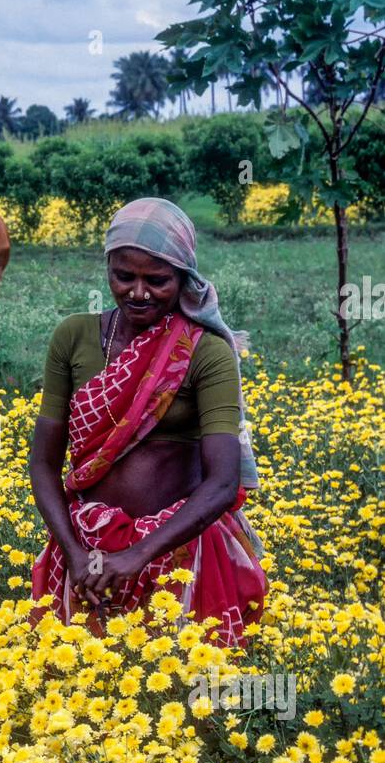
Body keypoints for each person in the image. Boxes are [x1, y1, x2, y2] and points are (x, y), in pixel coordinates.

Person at [29, 197, 266, 647]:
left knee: (187, 687)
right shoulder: (73, 337)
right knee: (76, 692)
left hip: (180, 546)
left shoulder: (204, 351)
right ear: (108, 271)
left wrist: (136, 556)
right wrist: (75, 553)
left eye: (157, 280)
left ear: (183, 278)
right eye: (124, 276)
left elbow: (220, 483)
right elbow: (43, 464)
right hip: (86, 547)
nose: (138, 292)